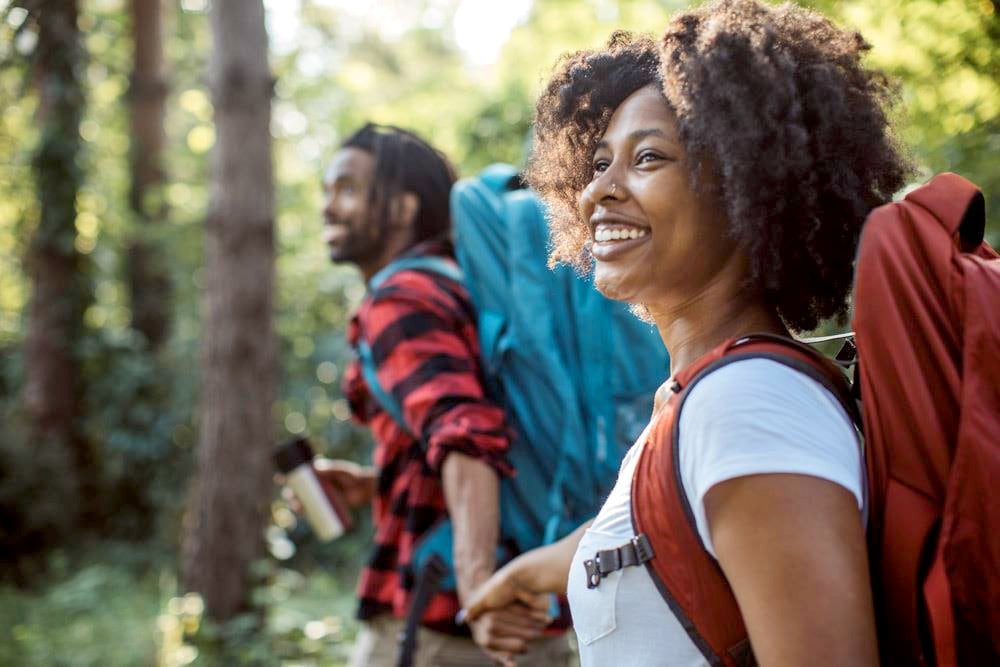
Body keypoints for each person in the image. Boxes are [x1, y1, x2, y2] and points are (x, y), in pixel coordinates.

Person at [461, 2, 910, 665]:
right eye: (597, 163)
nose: (599, 192)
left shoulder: (748, 404)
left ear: (745, 186)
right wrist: (538, 569)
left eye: (647, 158)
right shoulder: (701, 400)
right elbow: (677, 526)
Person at [311, 123, 569, 666]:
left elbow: (466, 433)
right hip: (528, 601)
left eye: (348, 189)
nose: (328, 206)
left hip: (447, 622)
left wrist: (476, 586)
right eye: (327, 190)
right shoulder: (461, 284)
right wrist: (374, 485)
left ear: (403, 208)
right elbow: (483, 426)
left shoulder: (401, 299)